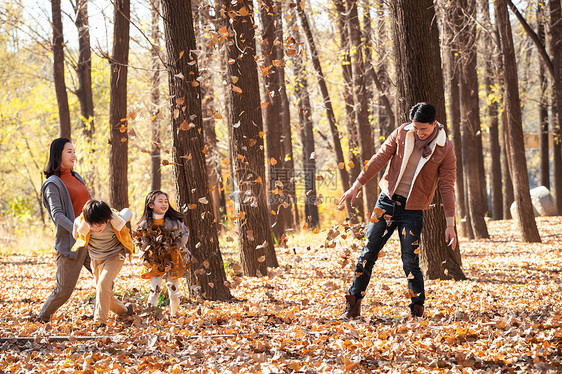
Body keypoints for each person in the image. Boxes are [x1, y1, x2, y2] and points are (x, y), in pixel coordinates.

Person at [338, 102, 457, 319]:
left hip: (413, 210)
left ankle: (417, 310)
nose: (419, 133)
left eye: (425, 129)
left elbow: (447, 187)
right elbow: (379, 159)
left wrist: (450, 224)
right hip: (386, 202)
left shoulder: (445, 149)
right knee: (367, 254)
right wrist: (356, 185)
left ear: (434, 124)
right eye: (416, 128)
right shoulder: (402, 134)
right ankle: (353, 305)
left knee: (410, 261)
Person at [37, 138, 91, 323]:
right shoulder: (53, 183)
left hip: (90, 240)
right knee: (63, 291)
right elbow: (57, 215)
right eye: (69, 151)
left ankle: (124, 312)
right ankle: (41, 319)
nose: (74, 155)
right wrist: (77, 230)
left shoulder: (77, 177)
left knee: (105, 281)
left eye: (74, 151)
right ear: (58, 154)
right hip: (72, 244)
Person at [73, 200, 134, 328]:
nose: (96, 228)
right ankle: (125, 310)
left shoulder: (114, 221)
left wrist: (125, 215)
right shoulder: (82, 224)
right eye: (92, 225)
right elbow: (76, 234)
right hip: (96, 259)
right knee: (104, 292)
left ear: (107, 219)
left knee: (103, 284)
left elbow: (127, 212)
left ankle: (99, 322)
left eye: (99, 224)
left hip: (115, 256)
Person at [135, 191, 189, 317]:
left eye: (166, 201)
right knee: (155, 290)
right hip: (154, 261)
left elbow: (184, 234)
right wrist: (148, 249)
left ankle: (174, 315)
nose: (164, 204)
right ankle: (151, 316)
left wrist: (176, 244)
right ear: (151, 205)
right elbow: (141, 243)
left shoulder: (174, 221)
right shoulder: (144, 224)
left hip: (172, 258)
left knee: (174, 291)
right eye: (160, 201)